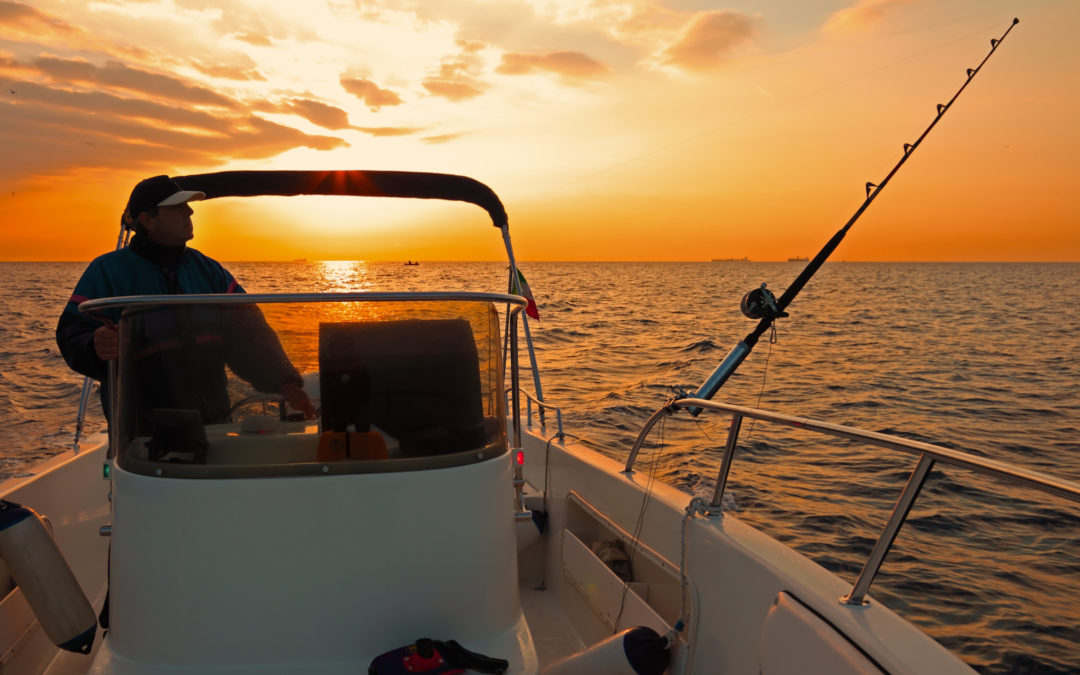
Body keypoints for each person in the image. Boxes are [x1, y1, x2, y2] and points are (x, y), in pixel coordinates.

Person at [56, 175, 316, 434]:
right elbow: (72, 332)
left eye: (187, 206)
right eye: (177, 206)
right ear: (148, 219)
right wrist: (93, 344)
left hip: (213, 427)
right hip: (139, 435)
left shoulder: (211, 272)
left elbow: (250, 334)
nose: (189, 212)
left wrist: (284, 384)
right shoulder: (107, 271)